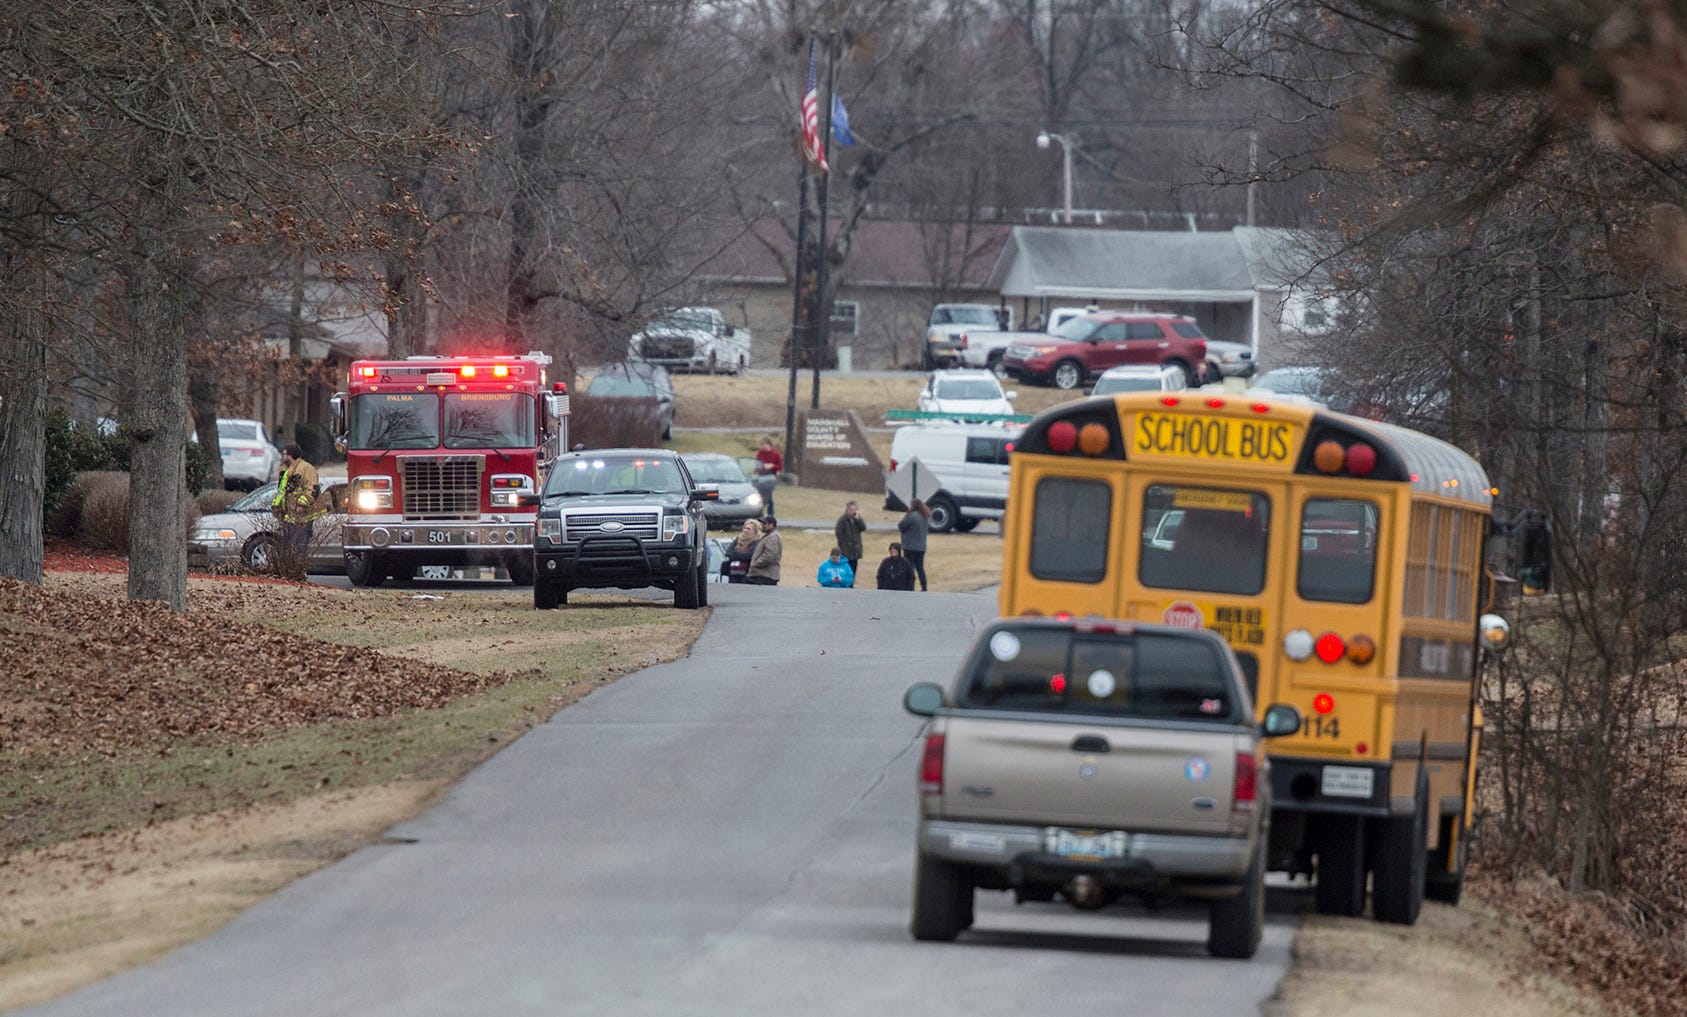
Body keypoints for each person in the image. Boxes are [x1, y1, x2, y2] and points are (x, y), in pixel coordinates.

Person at [271, 443, 325, 579]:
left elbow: (312, 488)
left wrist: (302, 504)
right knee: (287, 547)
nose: (282, 456)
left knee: (299, 546)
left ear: (290, 455)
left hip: (303, 515)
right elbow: (282, 492)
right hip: (289, 514)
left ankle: (298, 574)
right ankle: (289, 574)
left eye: (284, 453)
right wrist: (277, 507)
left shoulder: (306, 468)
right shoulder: (286, 470)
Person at [898, 498, 931, 592]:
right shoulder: (924, 516)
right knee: (920, 567)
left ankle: (910, 586)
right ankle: (924, 586)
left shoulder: (911, 516)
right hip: (921, 547)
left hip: (910, 546)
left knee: (909, 567)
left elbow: (901, 526)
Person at [833, 499, 866, 585]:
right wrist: (844, 543)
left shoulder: (856, 519)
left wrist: (858, 520)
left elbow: (863, 528)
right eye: (851, 510)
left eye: (855, 510)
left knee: (854, 568)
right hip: (846, 550)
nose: (853, 512)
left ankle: (851, 584)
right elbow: (838, 532)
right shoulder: (843, 520)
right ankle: (845, 584)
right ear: (847, 510)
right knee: (846, 568)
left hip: (855, 550)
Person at [746, 515, 782, 586]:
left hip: (765, 576)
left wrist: (755, 564)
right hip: (761, 575)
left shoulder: (773, 537)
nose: (762, 525)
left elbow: (769, 556)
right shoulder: (767, 536)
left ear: (771, 525)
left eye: (765, 523)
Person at [752, 435, 784, 514]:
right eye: (762, 445)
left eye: (764, 444)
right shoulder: (760, 453)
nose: (763, 447)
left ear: (769, 444)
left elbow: (780, 467)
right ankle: (759, 512)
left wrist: (772, 466)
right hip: (761, 475)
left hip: (770, 476)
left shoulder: (775, 454)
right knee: (759, 495)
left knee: (769, 496)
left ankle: (770, 513)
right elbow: (757, 463)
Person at [722, 519, 759, 583]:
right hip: (733, 574)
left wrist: (736, 552)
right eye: (744, 528)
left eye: (748, 529)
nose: (745, 530)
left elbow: (747, 556)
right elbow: (728, 553)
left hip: (746, 575)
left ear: (755, 531)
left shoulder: (756, 542)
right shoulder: (738, 539)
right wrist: (739, 554)